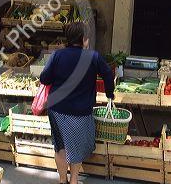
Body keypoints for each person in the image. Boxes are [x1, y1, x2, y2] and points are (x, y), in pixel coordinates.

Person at [39, 22, 115, 184]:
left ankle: (62, 180)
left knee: (60, 146)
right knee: (77, 145)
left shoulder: (57, 55)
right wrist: (110, 93)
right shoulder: (92, 57)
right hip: (81, 112)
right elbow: (108, 74)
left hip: (57, 109)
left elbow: (44, 78)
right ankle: (73, 180)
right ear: (84, 39)